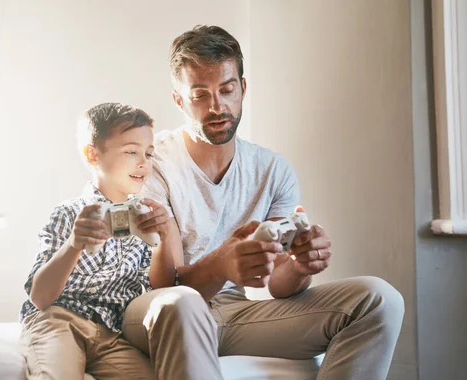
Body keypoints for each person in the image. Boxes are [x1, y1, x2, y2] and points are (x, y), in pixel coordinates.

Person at [122, 25, 405, 380]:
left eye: (227, 90)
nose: (217, 106)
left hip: (234, 314)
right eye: (200, 95)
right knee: (182, 304)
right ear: (179, 101)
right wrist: (219, 265)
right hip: (157, 311)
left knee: (380, 300)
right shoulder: (151, 164)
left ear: (243, 87)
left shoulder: (272, 170)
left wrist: (300, 266)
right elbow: (165, 285)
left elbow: (278, 285)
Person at [19, 103, 176, 379]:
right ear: (93, 155)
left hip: (111, 334)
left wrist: (164, 238)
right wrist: (74, 243)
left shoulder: (142, 221)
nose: (143, 163)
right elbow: (40, 297)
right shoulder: (69, 214)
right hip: (59, 321)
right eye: (131, 152)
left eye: (148, 154)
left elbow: (159, 287)